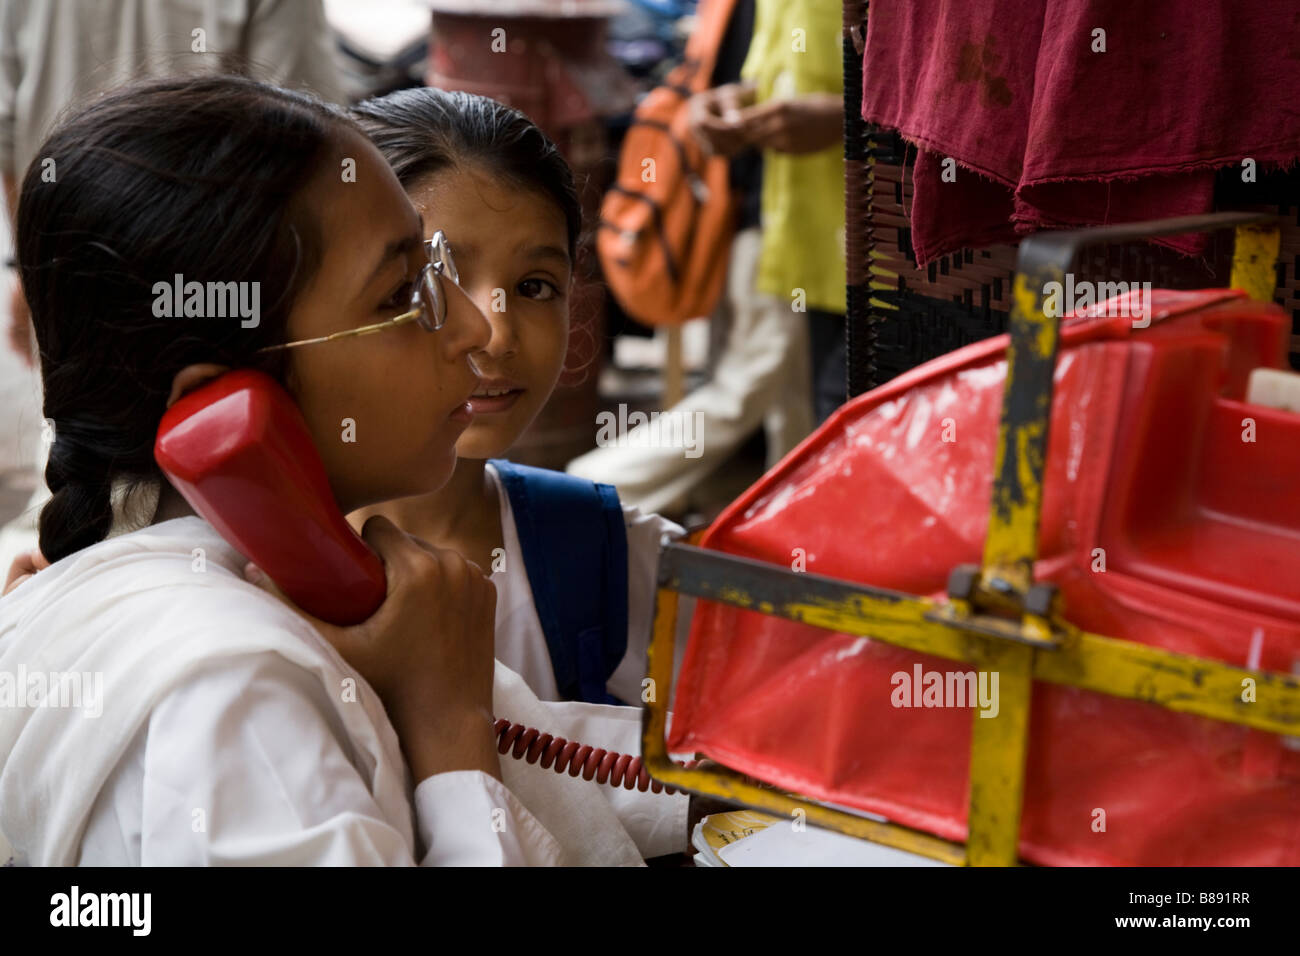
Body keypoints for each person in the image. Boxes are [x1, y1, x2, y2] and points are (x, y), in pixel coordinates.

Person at [0, 74, 562, 866]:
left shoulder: (146, 615)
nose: (473, 326)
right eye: (404, 293)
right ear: (223, 410)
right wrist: (451, 734)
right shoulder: (235, 696)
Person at [347, 88, 692, 858]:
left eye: (535, 286)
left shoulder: (619, 560)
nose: (495, 331)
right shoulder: (224, 575)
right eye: (436, 280)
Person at [566, 0, 847, 514]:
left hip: (821, 221)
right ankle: (591, 493)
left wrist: (842, 117)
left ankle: (595, 489)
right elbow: (752, 66)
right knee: (770, 394)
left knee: (768, 391)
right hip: (763, 212)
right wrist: (721, 106)